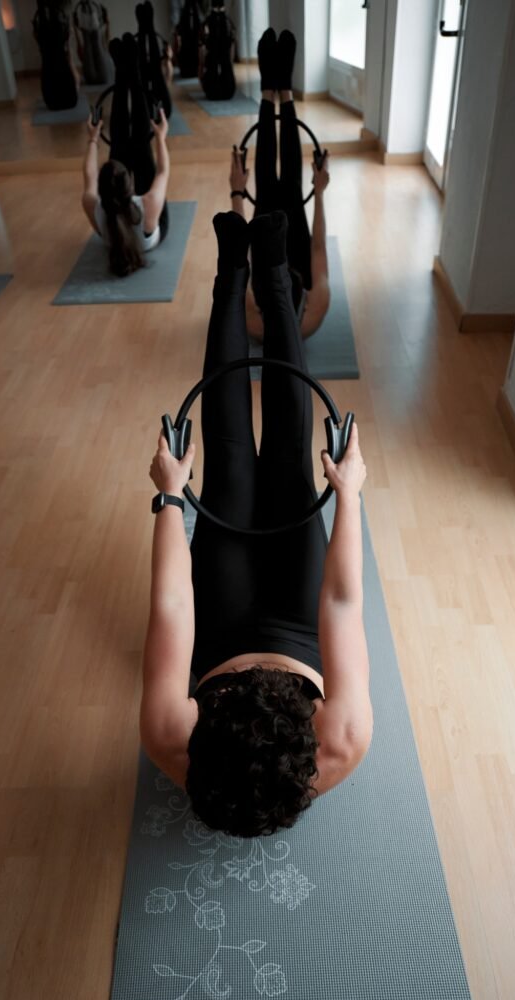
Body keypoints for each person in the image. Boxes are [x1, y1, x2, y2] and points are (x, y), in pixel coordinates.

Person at [141, 209, 373, 837]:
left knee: (234, 462)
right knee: (287, 462)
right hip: (302, 624)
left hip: (221, 623)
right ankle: (271, 270)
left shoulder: (169, 736)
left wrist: (170, 498)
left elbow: (171, 605)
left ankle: (233, 267)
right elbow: (343, 602)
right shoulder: (343, 739)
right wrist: (347, 495)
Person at [229, 28, 331, 340]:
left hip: (261, 237)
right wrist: (320, 191)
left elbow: (239, 251)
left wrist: (236, 190)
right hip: (295, 232)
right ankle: (282, 90)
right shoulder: (314, 311)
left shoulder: (253, 322)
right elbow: (316, 246)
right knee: (289, 189)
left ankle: (268, 91)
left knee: (271, 190)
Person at [81, 33, 169, 277]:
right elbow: (163, 171)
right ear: (130, 184)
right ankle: (132, 70)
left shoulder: (94, 207)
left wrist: (92, 138)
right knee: (140, 144)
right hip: (153, 226)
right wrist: (160, 137)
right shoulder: (148, 204)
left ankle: (124, 71)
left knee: (124, 143)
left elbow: (88, 176)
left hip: (134, 220)